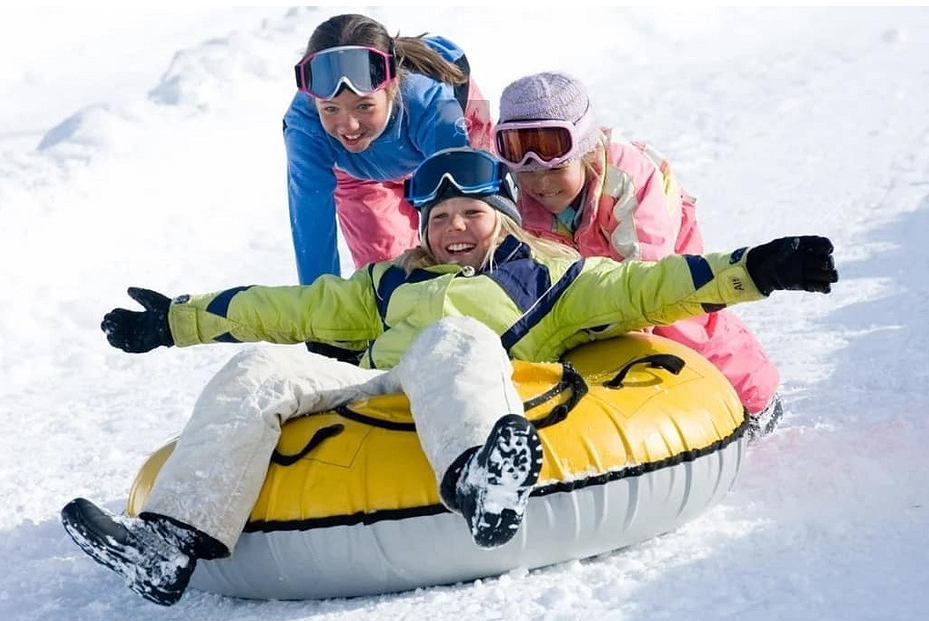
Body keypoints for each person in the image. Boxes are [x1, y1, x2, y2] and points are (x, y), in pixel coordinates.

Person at [60, 148, 838, 606]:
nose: (453, 230)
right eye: (438, 220)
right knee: (258, 362)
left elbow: (655, 285)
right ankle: (169, 541)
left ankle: (481, 481)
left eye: (471, 214)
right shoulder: (385, 283)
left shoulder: (555, 280)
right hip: (373, 391)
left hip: (474, 374)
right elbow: (286, 306)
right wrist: (175, 321)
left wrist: (759, 268)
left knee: (455, 337)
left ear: (500, 218)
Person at [494, 71, 785, 440]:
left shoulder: (627, 178)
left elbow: (647, 279)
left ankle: (757, 397)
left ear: (583, 151)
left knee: (678, 316)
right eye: (527, 172)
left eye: (556, 168)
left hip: (658, 245)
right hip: (581, 257)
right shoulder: (520, 202)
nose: (541, 184)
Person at [284, 13, 493, 287]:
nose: (349, 125)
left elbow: (463, 201)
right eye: (331, 109)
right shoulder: (305, 127)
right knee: (391, 277)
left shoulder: (431, 103)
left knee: (466, 239)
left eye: (364, 106)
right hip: (360, 175)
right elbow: (312, 226)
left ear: (391, 87)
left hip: (454, 142)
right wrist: (317, 303)